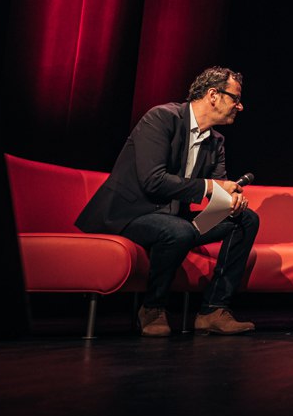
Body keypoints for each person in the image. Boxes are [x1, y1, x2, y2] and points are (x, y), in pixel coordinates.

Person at [75, 67, 259, 336]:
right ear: (213, 95)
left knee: (245, 219)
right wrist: (212, 187)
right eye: (235, 98)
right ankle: (153, 307)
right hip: (129, 214)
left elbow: (216, 190)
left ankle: (213, 309)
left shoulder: (216, 141)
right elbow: (153, 180)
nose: (239, 107)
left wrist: (230, 199)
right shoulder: (161, 118)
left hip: (171, 216)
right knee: (178, 230)